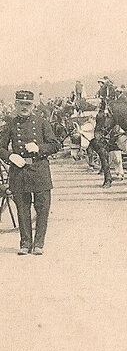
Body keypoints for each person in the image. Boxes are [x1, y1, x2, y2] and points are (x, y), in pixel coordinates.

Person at [0, 90, 61, 255]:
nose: (24, 107)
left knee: (42, 208)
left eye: (27, 104)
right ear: (16, 105)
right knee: (22, 208)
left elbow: (55, 145)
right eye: (21, 104)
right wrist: (10, 156)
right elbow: (0, 147)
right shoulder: (10, 125)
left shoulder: (41, 123)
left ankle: (39, 244)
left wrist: (39, 148)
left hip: (39, 170)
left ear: (32, 105)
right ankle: (25, 244)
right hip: (19, 172)